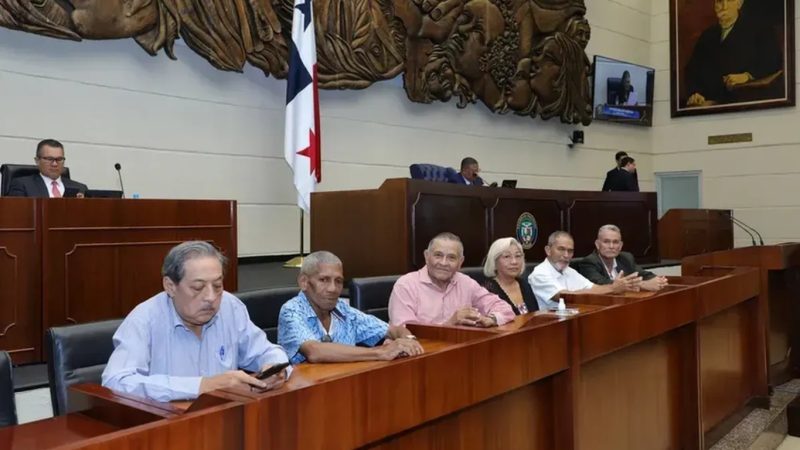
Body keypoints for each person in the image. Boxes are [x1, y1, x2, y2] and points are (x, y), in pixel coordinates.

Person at [102, 241, 290, 402]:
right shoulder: (144, 320)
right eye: (198, 287)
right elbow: (115, 382)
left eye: (217, 285)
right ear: (170, 286)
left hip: (223, 419)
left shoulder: (230, 307)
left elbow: (268, 352)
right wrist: (202, 386)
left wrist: (275, 369)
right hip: (166, 426)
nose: (211, 297)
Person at [278, 251, 424, 364]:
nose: (333, 289)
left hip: (347, 386)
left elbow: (393, 330)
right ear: (304, 282)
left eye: (339, 281)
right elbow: (315, 351)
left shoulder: (343, 309)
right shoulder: (292, 310)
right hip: (305, 393)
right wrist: (380, 352)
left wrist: (408, 340)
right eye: (324, 280)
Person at [389, 232, 516, 327]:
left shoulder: (466, 283)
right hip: (417, 357)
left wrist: (492, 319)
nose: (444, 263)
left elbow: (504, 308)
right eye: (438, 255)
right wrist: (450, 324)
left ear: (460, 262)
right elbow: (404, 333)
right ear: (427, 256)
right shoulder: (406, 285)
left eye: (451, 258)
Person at [684, 0, 782, 107]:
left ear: (739, 4)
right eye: (720, 1)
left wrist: (747, 76)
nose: (724, 6)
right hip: (707, 104)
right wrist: (696, 94)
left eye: (730, 0)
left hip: (743, 103)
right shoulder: (707, 35)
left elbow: (773, 61)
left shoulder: (760, 30)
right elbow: (692, 71)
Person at [529, 231, 642, 310]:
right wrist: (612, 288)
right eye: (561, 249)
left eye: (570, 251)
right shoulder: (540, 273)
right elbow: (564, 296)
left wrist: (621, 287)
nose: (566, 255)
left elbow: (593, 288)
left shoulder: (569, 271)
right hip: (549, 326)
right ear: (548, 250)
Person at [575, 225, 668, 291]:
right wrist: (642, 284)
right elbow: (602, 284)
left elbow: (643, 274)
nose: (611, 246)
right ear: (597, 244)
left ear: (620, 246)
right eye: (606, 242)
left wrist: (659, 281)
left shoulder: (626, 257)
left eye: (615, 242)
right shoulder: (589, 262)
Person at [7, 139, 88, 198]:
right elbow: (16, 215)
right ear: (37, 161)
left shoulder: (80, 188)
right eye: (49, 159)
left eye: (59, 159)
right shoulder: (22, 185)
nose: (55, 164)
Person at [482, 237, 538, 315]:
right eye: (507, 257)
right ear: (494, 262)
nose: (514, 262)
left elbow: (535, 314)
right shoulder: (487, 291)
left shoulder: (525, 284)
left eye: (518, 256)